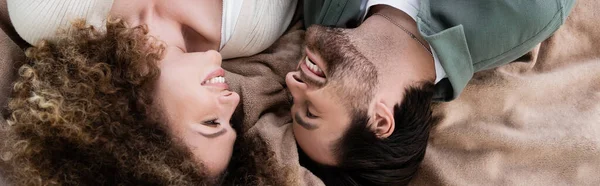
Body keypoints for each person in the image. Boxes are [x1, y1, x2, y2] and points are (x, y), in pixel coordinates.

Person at [3, 0, 298, 185]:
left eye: (211, 123)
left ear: (139, 123)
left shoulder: (49, 12)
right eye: (230, 121)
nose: (232, 100)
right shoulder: (257, 25)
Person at [286, 0, 576, 185]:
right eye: (310, 112)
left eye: (292, 101)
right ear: (380, 121)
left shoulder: (323, 10)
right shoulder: (522, 12)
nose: (291, 81)